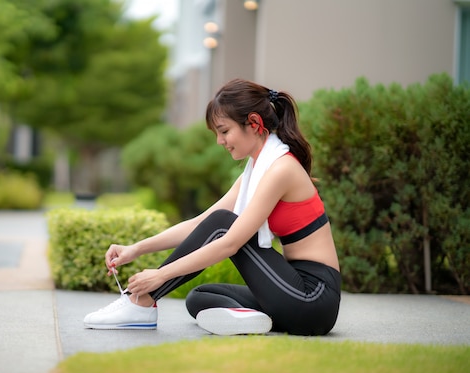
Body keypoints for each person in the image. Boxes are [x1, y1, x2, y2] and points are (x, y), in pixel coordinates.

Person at [83, 78, 341, 336]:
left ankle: (141, 302)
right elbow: (199, 224)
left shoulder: (281, 170)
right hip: (289, 285)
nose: (219, 140)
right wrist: (136, 249)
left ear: (254, 123)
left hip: (313, 298)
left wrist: (160, 277)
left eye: (224, 131)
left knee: (223, 223)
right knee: (200, 297)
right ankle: (254, 320)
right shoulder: (256, 172)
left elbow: (228, 241)